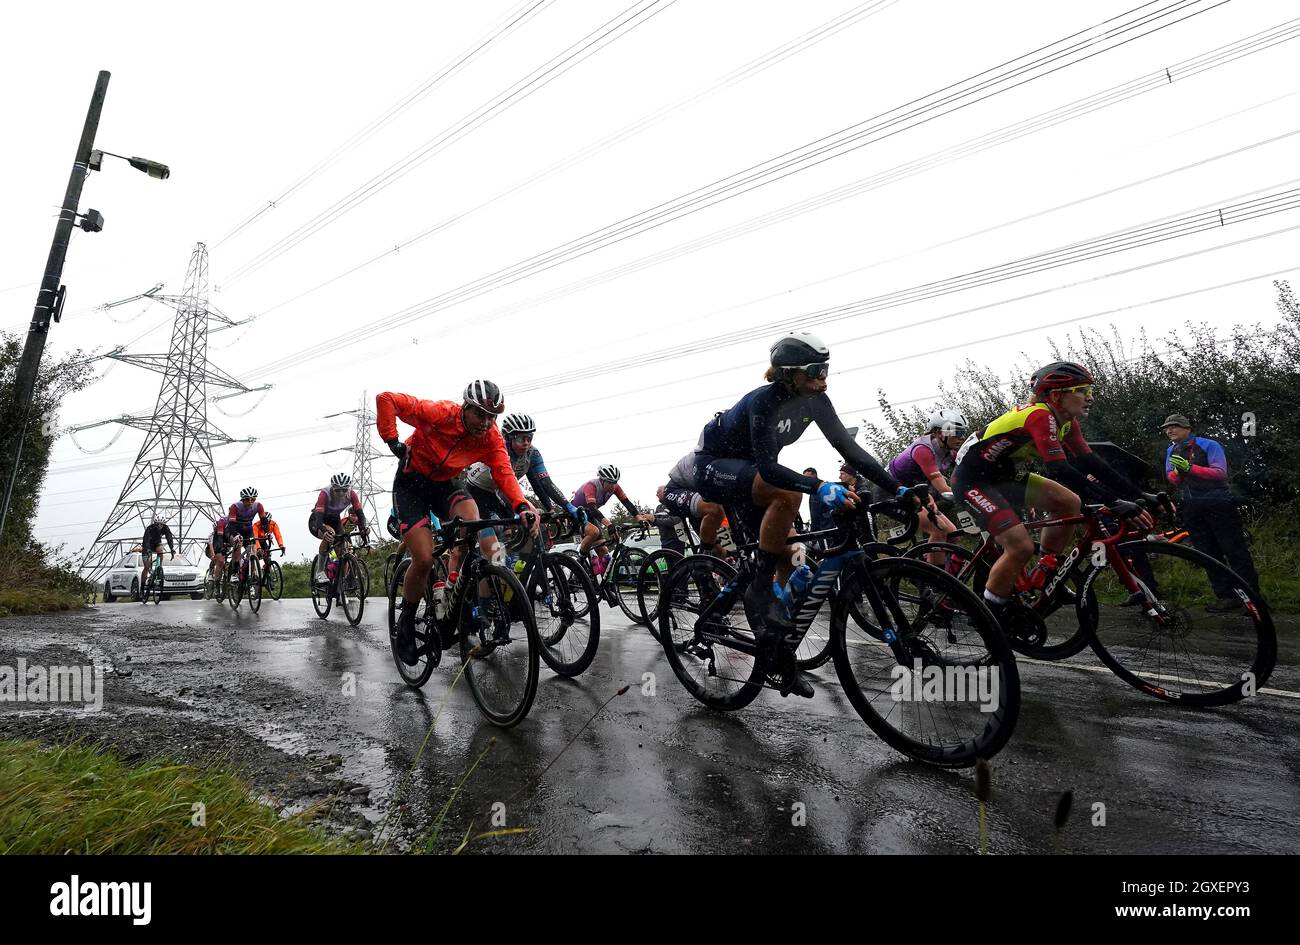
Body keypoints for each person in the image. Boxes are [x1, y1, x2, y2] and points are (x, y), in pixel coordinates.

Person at [693, 330, 908, 698]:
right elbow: (769, 468)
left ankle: (775, 654)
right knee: (789, 493)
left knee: (796, 563)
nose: (823, 378)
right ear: (788, 374)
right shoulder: (763, 401)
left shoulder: (817, 401)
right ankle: (758, 587)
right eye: (814, 370)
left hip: (756, 477)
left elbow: (851, 451)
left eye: (825, 369)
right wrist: (820, 486)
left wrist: (898, 488)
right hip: (718, 468)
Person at [951, 362, 1156, 623]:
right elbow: (1060, 468)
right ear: (1057, 396)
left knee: (1069, 502)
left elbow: (1092, 464)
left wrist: (1139, 496)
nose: (1090, 397)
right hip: (972, 482)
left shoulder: (1066, 422)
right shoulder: (1039, 415)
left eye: (1090, 390)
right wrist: (1114, 501)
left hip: (1004, 478)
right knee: (1020, 547)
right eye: (1082, 390)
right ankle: (988, 617)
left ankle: (1046, 575)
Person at [377, 380, 540, 665]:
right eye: (480, 414)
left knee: (473, 523)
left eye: (492, 417)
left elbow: (504, 473)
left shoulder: (489, 439)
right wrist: (392, 440)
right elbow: (386, 398)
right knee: (425, 559)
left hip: (445, 485)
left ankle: (459, 595)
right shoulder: (439, 413)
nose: (486, 423)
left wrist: (522, 505)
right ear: (465, 407)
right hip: (411, 485)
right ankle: (405, 623)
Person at [1162, 413, 1260, 611]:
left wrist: (1190, 468)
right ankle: (1227, 597)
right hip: (1191, 505)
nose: (1170, 430)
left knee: (1234, 550)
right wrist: (1179, 473)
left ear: (1187, 428)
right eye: (1167, 427)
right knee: (1207, 552)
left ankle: (1253, 600)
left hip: (1219, 503)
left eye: (1175, 426)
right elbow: (1171, 478)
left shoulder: (1209, 445)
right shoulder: (1171, 450)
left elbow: (1220, 472)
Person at [461, 412, 586, 535]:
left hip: (500, 491)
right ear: (509, 438)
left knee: (515, 529)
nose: (526, 443)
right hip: (476, 490)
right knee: (489, 534)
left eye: (529, 438)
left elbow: (543, 483)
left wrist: (566, 507)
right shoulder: (499, 450)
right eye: (521, 438)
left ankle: (512, 555)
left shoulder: (532, 453)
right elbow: (506, 486)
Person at [886, 409, 968, 566]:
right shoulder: (923, 450)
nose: (961, 437)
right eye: (956, 431)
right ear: (938, 433)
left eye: (963, 432)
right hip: (890, 492)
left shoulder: (948, 452)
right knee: (939, 530)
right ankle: (936, 585)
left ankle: (939, 571)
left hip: (915, 492)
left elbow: (967, 474)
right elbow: (943, 488)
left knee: (953, 534)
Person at [571, 465, 654, 574]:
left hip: (590, 515)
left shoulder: (615, 487)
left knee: (604, 553)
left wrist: (640, 519)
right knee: (593, 532)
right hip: (576, 514)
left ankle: (603, 585)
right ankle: (579, 564)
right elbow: (592, 509)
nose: (612, 486)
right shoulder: (591, 485)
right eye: (609, 482)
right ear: (602, 480)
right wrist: (609, 525)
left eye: (615, 482)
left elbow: (627, 503)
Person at [309, 473, 367, 586]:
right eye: (338, 490)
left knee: (342, 553)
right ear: (333, 488)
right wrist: (324, 531)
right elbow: (319, 518)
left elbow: (361, 515)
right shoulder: (325, 493)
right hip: (318, 520)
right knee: (330, 534)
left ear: (348, 488)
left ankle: (339, 584)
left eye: (344, 490)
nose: (341, 493)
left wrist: (364, 529)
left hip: (335, 520)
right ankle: (320, 572)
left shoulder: (352, 494)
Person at [227, 487, 271, 575]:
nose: (250, 502)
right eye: (247, 499)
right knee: (238, 545)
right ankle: (234, 573)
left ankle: (252, 575)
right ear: (242, 499)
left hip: (248, 531)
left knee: (253, 552)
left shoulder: (258, 506)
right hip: (236, 530)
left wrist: (267, 532)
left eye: (253, 499)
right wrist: (235, 535)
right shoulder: (235, 506)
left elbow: (264, 521)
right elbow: (231, 524)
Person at [139, 513, 176, 592]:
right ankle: (142, 588)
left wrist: (172, 549)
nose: (159, 526)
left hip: (156, 543)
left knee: (160, 549)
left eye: (161, 525)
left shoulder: (165, 528)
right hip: (147, 545)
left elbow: (169, 538)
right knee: (146, 566)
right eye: (157, 524)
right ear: (155, 524)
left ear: (163, 524)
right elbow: (146, 540)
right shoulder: (150, 528)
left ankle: (158, 568)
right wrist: (148, 550)